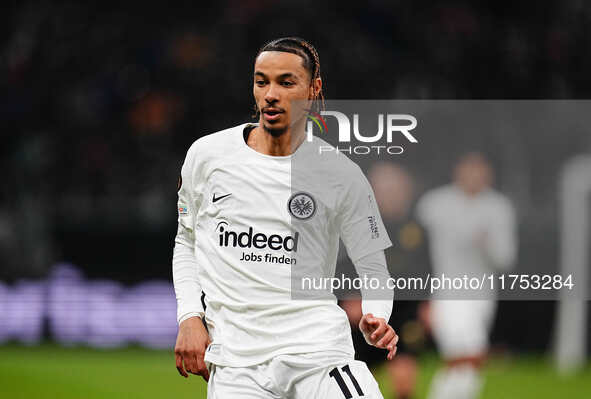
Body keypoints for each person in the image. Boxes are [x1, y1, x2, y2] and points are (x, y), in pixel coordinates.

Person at [172, 37, 398, 398]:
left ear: (313, 88)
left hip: (318, 357)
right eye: (262, 81)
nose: (270, 94)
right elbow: (187, 243)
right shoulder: (208, 155)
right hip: (235, 365)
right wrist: (189, 317)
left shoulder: (342, 174)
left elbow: (373, 266)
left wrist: (376, 315)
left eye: (286, 82)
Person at [416, 153, 517, 399]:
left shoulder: (498, 207)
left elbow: (506, 259)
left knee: (465, 359)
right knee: (467, 351)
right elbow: (417, 253)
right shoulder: (434, 204)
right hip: (447, 292)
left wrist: (486, 243)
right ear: (457, 171)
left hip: (482, 294)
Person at [340, 161, 431, 399]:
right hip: (363, 316)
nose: (393, 195)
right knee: (353, 384)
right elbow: (338, 268)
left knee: (403, 385)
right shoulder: (352, 225)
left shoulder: (417, 230)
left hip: (403, 316)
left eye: (397, 188)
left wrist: (429, 305)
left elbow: (426, 272)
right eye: (385, 189)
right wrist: (347, 300)